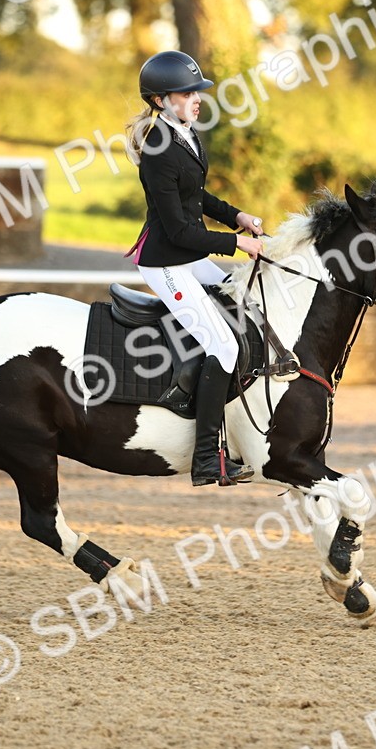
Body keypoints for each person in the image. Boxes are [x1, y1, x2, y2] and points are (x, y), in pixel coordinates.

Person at [124, 50, 264, 487]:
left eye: (197, 92)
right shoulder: (157, 152)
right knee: (223, 347)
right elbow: (181, 231)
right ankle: (206, 458)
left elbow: (198, 197)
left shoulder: (186, 133)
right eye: (188, 93)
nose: (197, 99)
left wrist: (236, 216)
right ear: (162, 100)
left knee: (245, 297)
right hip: (166, 264)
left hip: (188, 256)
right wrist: (237, 243)